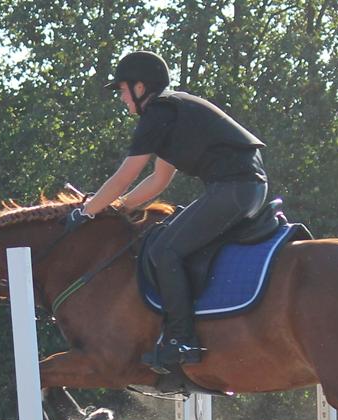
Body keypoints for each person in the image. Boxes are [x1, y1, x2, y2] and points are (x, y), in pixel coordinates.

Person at [64, 51, 269, 374]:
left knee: (164, 249)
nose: (121, 98)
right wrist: (120, 208)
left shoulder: (158, 113)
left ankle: (180, 339)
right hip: (243, 189)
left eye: (121, 90)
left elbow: (126, 174)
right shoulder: (171, 112)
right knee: (168, 242)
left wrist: (86, 212)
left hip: (233, 189)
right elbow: (158, 179)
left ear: (141, 87)